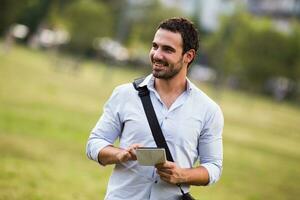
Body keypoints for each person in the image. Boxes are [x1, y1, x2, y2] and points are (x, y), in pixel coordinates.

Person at [86, 17, 224, 200]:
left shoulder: (208, 110)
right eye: (155, 46)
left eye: (167, 49)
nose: (157, 55)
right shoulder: (124, 94)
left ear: (188, 56)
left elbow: (213, 167)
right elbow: (95, 143)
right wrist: (121, 155)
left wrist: (182, 175)